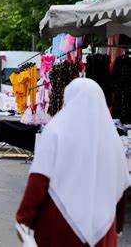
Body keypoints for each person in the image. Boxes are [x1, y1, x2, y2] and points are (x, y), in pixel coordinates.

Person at [16, 78, 129, 247]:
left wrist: (24, 218)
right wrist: (118, 225)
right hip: (103, 227)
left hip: (60, 220)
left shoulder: (56, 130)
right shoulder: (111, 138)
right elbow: (121, 185)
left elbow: (40, 179)